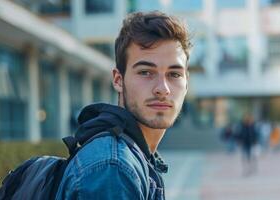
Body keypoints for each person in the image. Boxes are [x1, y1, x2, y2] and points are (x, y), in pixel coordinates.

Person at [56, 11, 191, 199]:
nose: (163, 89)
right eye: (146, 72)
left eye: (174, 74)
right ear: (118, 80)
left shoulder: (132, 156)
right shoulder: (114, 169)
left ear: (186, 84)